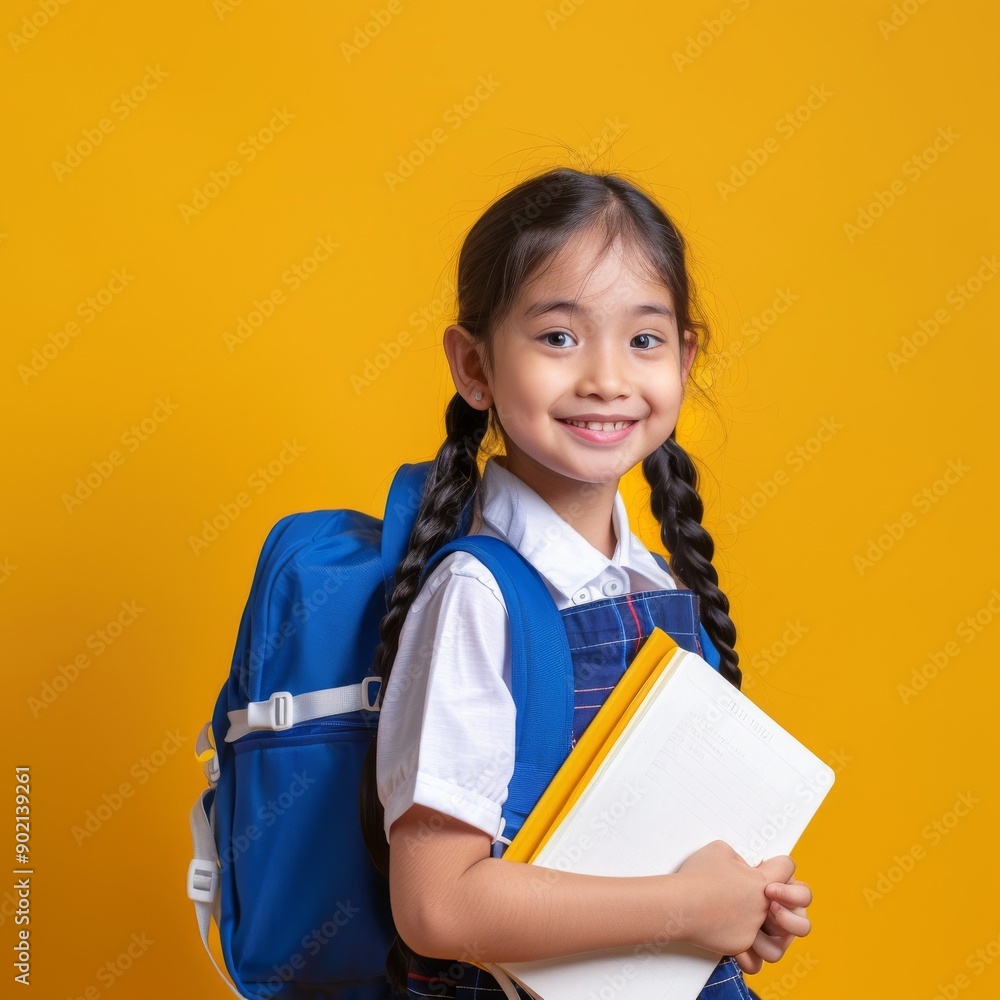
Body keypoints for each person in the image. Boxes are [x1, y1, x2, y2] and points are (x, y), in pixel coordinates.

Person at [358, 167, 813, 999]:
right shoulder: (477, 596)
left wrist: (741, 908)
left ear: (686, 356)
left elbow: (649, 860)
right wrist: (683, 909)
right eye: (559, 337)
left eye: (643, 339)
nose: (607, 377)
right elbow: (437, 906)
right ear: (474, 366)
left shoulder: (658, 587)